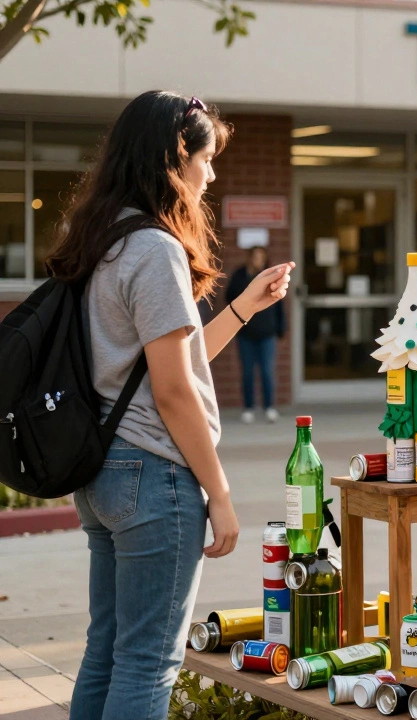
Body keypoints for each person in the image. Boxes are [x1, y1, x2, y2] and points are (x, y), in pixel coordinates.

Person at [44, 91, 294, 720]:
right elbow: (172, 391)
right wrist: (220, 491)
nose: (211, 175)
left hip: (105, 473)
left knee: (106, 653)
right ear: (175, 158)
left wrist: (244, 307)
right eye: (206, 160)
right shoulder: (155, 248)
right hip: (155, 478)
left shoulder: (102, 238)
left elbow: (171, 365)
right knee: (149, 663)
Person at [227, 245, 286, 423]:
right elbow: (230, 297)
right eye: (255, 257)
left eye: (261, 257)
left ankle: (269, 407)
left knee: (267, 372)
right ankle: (248, 408)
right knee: (247, 372)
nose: (257, 260)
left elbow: (279, 304)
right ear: (249, 257)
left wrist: (281, 329)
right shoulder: (240, 276)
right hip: (246, 333)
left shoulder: (270, 277)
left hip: (267, 333)